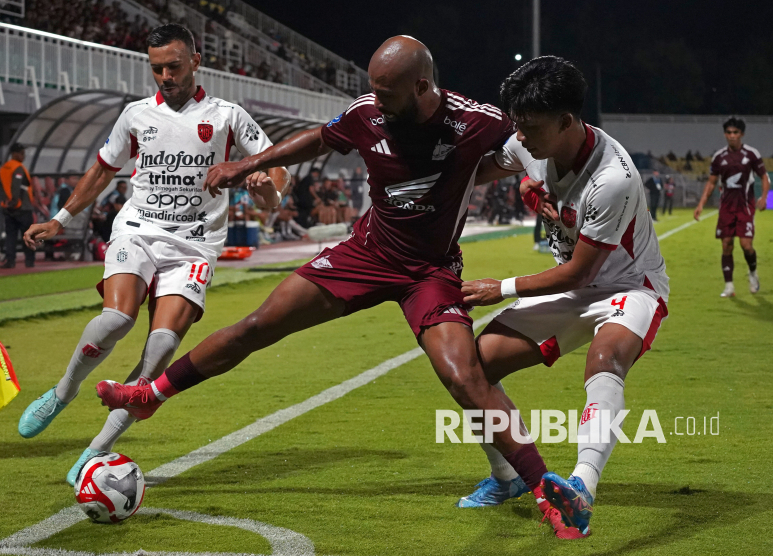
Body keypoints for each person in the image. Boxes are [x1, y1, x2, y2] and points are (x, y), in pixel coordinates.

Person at [96, 36, 577, 535]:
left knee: (464, 376)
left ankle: (544, 487)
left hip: (429, 272)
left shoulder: (474, 119)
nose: (377, 102)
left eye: (387, 93)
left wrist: (531, 182)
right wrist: (249, 164)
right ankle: (151, 394)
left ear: (421, 86)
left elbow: (529, 144)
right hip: (364, 255)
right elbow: (318, 139)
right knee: (259, 324)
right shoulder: (367, 113)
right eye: (373, 89)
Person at [18, 23, 286, 485]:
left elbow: (276, 167)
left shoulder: (228, 116)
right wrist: (61, 219)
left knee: (161, 346)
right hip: (138, 228)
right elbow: (102, 172)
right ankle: (64, 391)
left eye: (174, 66)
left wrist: (268, 192)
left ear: (196, 61)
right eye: (156, 68)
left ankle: (97, 449)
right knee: (117, 319)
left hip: (196, 242)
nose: (164, 75)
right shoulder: (135, 115)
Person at [460, 56, 669, 538]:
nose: (521, 138)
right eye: (517, 125)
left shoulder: (611, 178)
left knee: (605, 359)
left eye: (530, 128)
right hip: (569, 284)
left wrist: (501, 288)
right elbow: (480, 172)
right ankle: (507, 478)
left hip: (628, 285)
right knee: (472, 368)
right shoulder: (531, 139)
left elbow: (581, 272)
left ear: (568, 122)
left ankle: (581, 487)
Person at [694, 117, 769, 297]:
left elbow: (764, 177)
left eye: (735, 132)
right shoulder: (719, 157)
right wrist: (701, 204)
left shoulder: (751, 154)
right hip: (726, 207)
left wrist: (764, 197)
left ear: (741, 134)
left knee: (746, 245)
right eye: (729, 132)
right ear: (725, 134)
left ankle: (752, 273)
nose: (732, 136)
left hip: (745, 206)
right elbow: (711, 183)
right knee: (726, 244)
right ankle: (729, 286)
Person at [1, 143, 37, 268]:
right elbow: (16, 186)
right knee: (28, 235)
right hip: (21, 208)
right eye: (21, 153)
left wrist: (6, 203)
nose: (23, 156)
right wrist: (15, 202)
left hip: (7, 208)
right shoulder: (18, 168)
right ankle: (30, 261)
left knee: (11, 236)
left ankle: (10, 260)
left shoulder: (4, 168)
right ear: (14, 154)